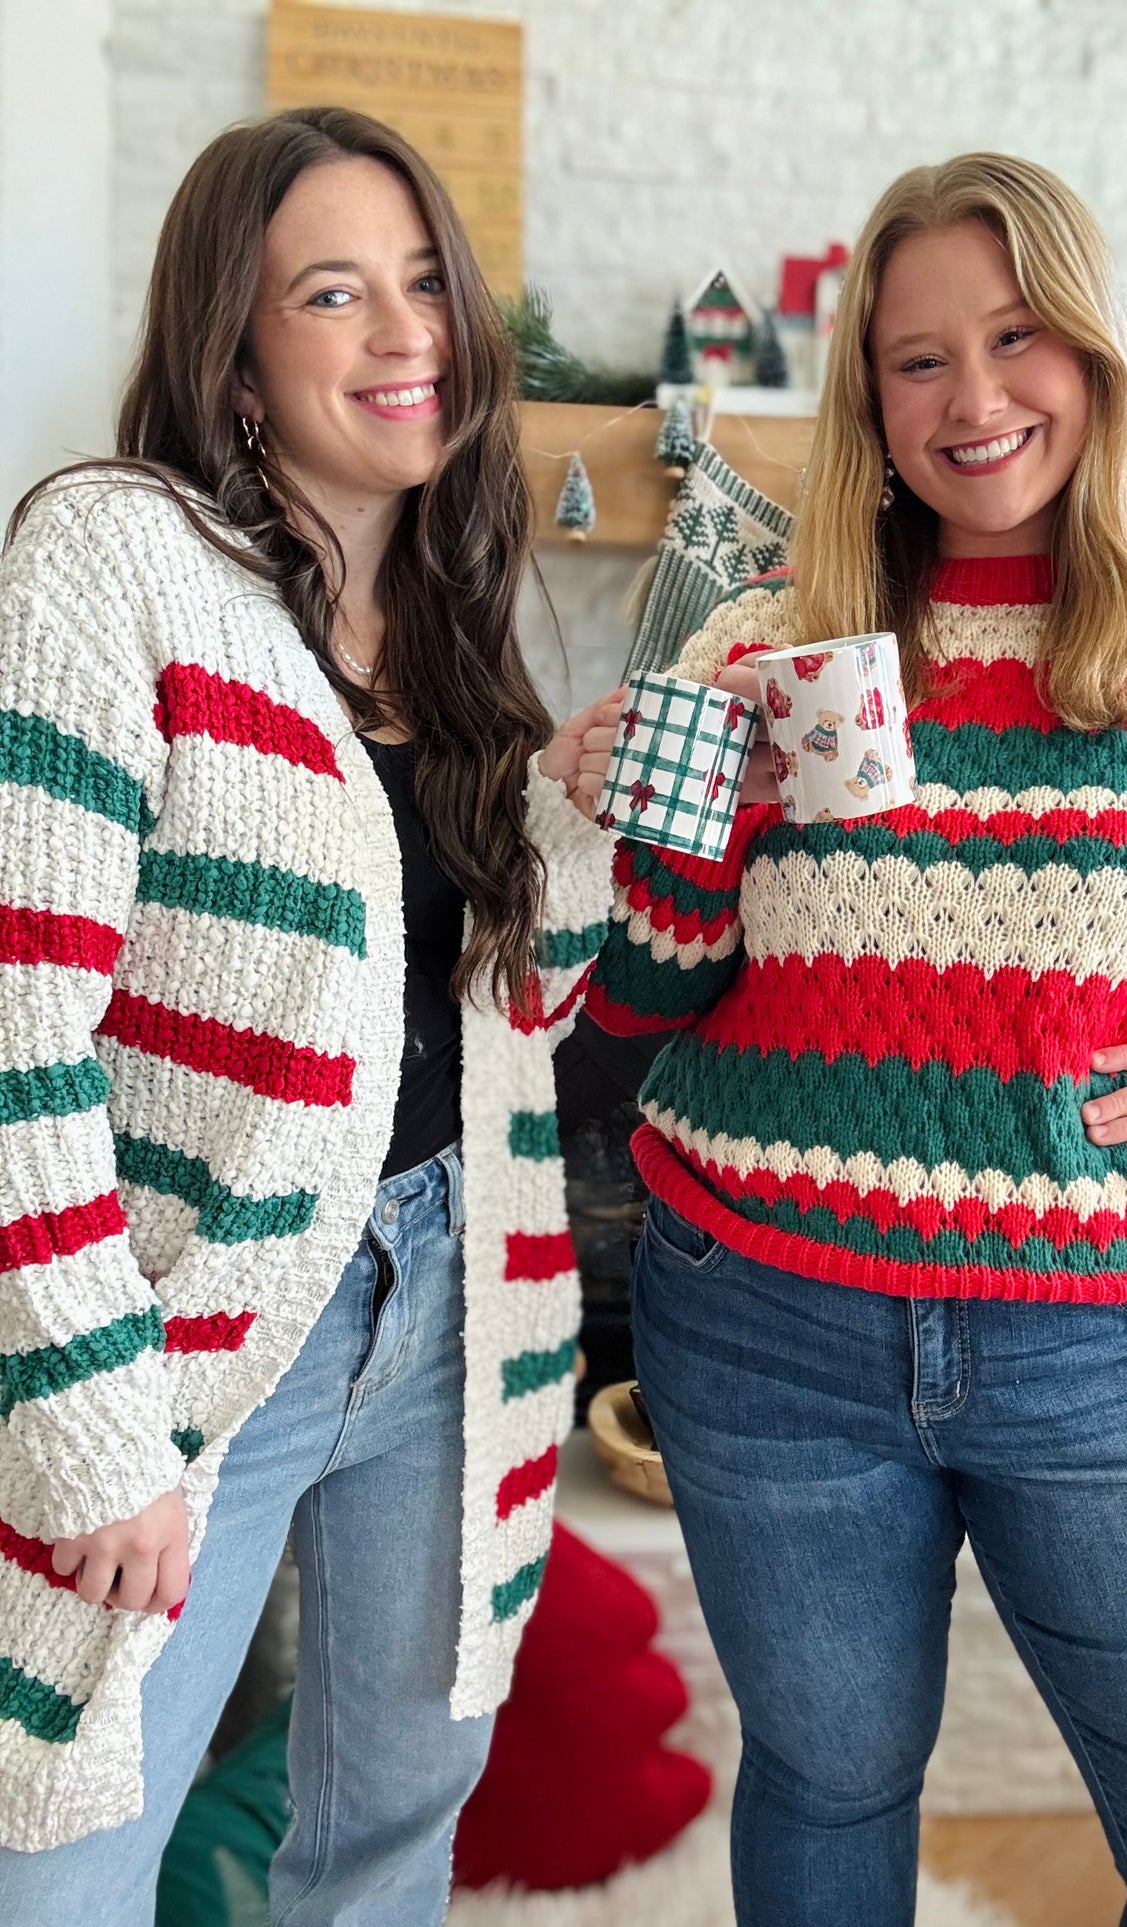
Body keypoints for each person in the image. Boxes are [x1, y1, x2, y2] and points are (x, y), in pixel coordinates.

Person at [585, 151, 1127, 1926]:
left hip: (1113, 1351)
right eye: (917, 359)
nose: (972, 399)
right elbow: (644, 1006)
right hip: (763, 1321)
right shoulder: (775, 644)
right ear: (867, 396)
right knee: (828, 1783)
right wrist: (671, 817)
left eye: (1018, 335)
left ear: (1096, 354)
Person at [0, 106, 620, 1921]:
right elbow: (15, 1031)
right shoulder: (109, 560)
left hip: (451, 1304)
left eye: (425, 283)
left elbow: (517, 1016)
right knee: (64, 1861)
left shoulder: (444, 619)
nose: (405, 333)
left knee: (387, 1838)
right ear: (238, 354)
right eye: (334, 293)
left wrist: (571, 819)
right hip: (196, 1325)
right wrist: (91, 1428)